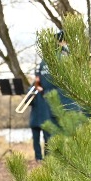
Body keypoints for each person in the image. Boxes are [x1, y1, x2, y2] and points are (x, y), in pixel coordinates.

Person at [31, 30, 79, 160]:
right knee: (73, 137)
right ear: (63, 41)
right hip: (68, 102)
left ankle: (52, 161)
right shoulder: (65, 56)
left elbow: (38, 83)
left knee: (52, 136)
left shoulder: (44, 61)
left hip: (49, 102)